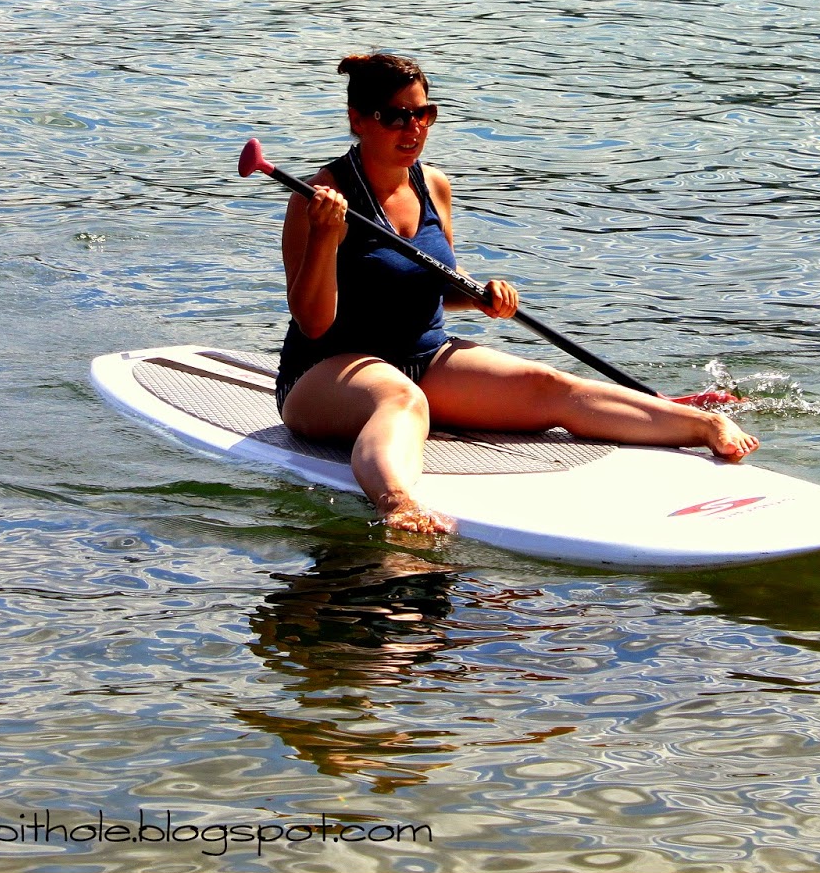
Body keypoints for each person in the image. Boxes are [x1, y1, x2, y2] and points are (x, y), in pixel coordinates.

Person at [276, 53, 760, 535]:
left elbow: (436, 284)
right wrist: (325, 237)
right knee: (402, 401)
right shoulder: (317, 197)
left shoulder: (433, 185)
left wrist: (480, 295)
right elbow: (313, 321)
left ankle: (700, 426)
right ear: (358, 120)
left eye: (424, 113)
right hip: (326, 369)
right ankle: (397, 503)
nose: (413, 128)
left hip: (425, 355)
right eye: (395, 116)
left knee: (548, 386)